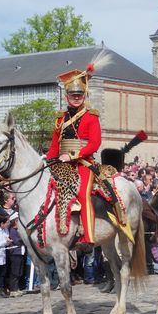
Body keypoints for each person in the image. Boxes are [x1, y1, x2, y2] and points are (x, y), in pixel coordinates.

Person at [47, 67, 101, 254]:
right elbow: (55, 144)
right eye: (72, 94)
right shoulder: (61, 119)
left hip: (83, 163)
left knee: (83, 194)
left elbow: (94, 143)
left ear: (84, 95)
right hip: (61, 164)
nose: (76, 97)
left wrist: (72, 155)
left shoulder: (91, 116)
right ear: (66, 96)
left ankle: (88, 237)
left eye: (79, 94)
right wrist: (49, 161)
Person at [8, 212, 25, 297]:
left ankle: (17, 288)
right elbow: (17, 241)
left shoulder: (19, 230)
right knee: (15, 272)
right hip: (15, 253)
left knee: (19, 271)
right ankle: (13, 289)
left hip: (21, 252)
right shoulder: (12, 231)